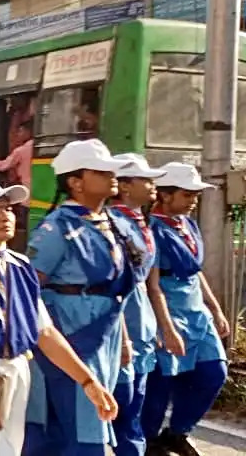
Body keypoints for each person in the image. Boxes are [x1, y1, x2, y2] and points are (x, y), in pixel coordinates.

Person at [0, 179, 118, 456]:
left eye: (8, 210)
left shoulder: (19, 265)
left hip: (16, 373)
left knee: (10, 449)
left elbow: (44, 332)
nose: (5, 217)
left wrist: (87, 381)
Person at [23, 139, 137, 456]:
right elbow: (31, 286)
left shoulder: (111, 223)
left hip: (105, 335)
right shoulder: (56, 228)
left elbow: (116, 289)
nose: (112, 176)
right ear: (76, 182)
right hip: (74, 337)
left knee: (88, 422)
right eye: (101, 171)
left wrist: (124, 338)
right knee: (86, 433)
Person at [141, 162, 231, 456]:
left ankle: (178, 431)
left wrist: (215, 309)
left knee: (213, 372)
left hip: (196, 312)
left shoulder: (188, 225)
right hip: (168, 310)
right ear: (165, 195)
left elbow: (196, 272)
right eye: (187, 195)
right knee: (162, 384)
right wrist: (165, 327)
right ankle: (150, 441)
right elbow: (152, 286)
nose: (193, 201)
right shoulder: (152, 231)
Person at [108, 154, 166, 456]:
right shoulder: (114, 224)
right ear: (125, 186)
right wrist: (125, 336)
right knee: (124, 404)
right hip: (124, 318)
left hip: (140, 318)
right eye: (146, 179)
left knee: (135, 402)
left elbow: (150, 283)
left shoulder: (140, 222)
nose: (152, 184)